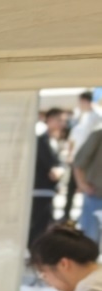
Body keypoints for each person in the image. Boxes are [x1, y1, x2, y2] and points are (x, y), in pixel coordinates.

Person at [30, 108, 67, 246]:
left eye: (64, 121)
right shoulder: (42, 141)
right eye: (59, 120)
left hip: (47, 191)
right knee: (38, 227)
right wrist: (60, 170)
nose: (62, 124)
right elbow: (53, 171)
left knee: (44, 226)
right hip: (40, 190)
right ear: (50, 120)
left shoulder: (56, 141)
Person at [66, 91, 101, 219]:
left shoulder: (95, 116)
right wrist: (82, 184)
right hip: (96, 192)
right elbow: (74, 142)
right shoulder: (83, 117)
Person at [74, 127, 102, 241]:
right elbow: (78, 163)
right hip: (96, 195)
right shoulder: (98, 136)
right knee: (90, 238)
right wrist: (82, 185)